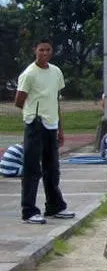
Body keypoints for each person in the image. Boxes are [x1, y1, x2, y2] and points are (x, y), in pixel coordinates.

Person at [14, 38, 75, 224]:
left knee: (52, 168)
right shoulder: (29, 74)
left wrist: (60, 128)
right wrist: (32, 112)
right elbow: (19, 100)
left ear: (52, 51)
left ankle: (54, 206)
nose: (44, 53)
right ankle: (29, 210)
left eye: (48, 50)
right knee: (32, 168)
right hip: (35, 123)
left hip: (52, 124)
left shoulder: (56, 72)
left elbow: (55, 101)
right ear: (35, 50)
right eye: (41, 50)